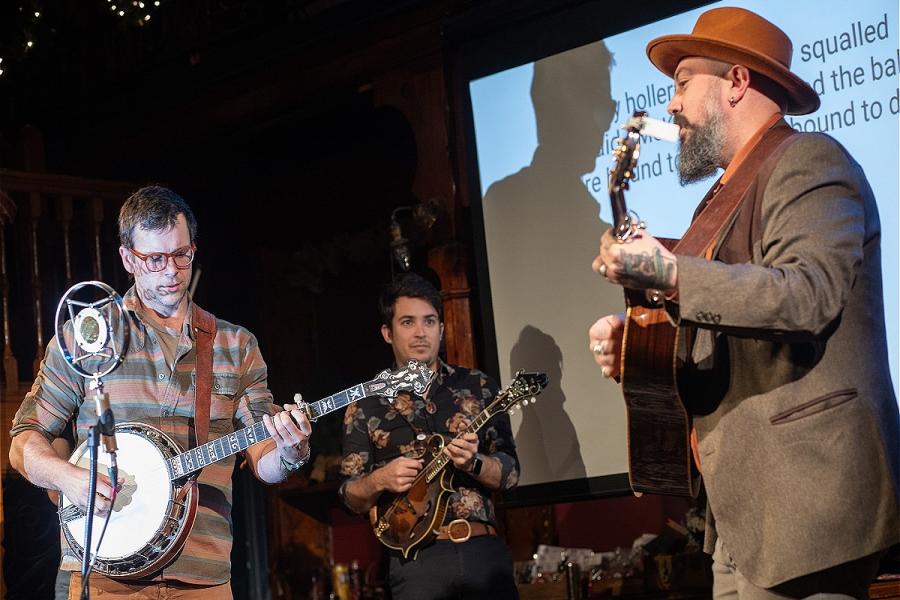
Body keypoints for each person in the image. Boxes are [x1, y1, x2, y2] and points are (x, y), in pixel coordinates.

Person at [589, 7, 899, 598]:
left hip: (807, 503)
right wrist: (639, 343)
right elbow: (728, 314)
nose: (672, 105)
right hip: (743, 513)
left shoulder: (809, 160)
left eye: (681, 85)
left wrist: (670, 272)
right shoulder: (723, 195)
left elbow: (807, 294)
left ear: (735, 82)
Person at [9, 185, 312, 599]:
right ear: (128, 258)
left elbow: (265, 463)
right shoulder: (89, 337)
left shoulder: (235, 345)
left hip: (202, 578)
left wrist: (291, 449)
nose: (171, 270)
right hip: (102, 577)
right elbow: (23, 440)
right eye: (154, 259)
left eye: (181, 255)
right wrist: (68, 478)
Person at [339, 273, 520, 599]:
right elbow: (350, 496)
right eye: (408, 322)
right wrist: (379, 479)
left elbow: (510, 474)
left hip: (483, 553)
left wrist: (474, 463)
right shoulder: (365, 404)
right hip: (417, 565)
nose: (421, 332)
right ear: (387, 333)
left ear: (442, 329)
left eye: (430, 321)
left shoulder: (477, 386)